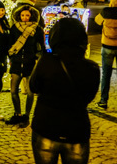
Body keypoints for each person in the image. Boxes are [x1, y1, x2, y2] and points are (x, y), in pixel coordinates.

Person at [30, 18, 100, 164]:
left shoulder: (46, 61)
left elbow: (33, 87)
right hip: (76, 129)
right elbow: (89, 96)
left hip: (46, 126)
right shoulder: (91, 68)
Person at [7, 4, 44, 127]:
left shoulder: (37, 29)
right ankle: (17, 114)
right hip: (17, 63)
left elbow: (41, 46)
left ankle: (26, 116)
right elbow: (10, 45)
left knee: (30, 92)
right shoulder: (14, 28)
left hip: (29, 63)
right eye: (22, 15)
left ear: (31, 16)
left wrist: (40, 58)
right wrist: (11, 57)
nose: (25, 17)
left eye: (27, 15)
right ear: (19, 16)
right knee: (13, 91)